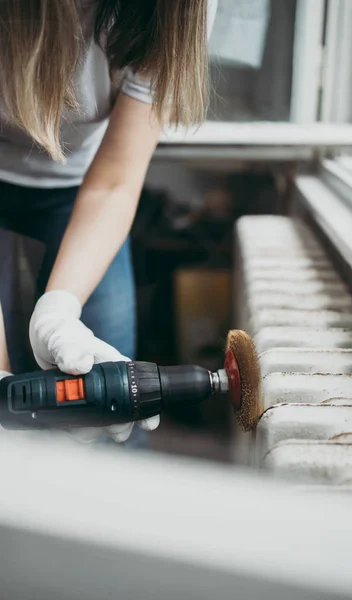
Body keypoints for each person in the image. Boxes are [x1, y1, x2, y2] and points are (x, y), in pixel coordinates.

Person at [0, 0, 218, 443]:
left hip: (86, 183)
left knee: (110, 400)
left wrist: (59, 310)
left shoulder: (180, 8)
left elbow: (116, 179)